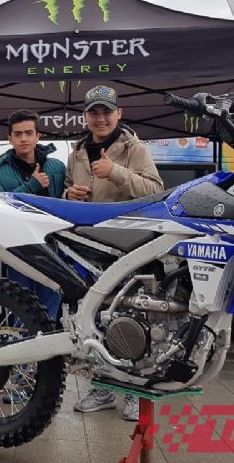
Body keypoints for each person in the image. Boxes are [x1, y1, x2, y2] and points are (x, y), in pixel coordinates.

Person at [66, 85, 163, 422]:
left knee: (134, 316)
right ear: (85, 116)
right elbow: (68, 190)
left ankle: (135, 390)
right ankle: (103, 387)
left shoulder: (135, 148)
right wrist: (70, 194)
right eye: (94, 112)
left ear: (118, 114)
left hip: (130, 246)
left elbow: (155, 190)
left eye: (106, 111)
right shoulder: (77, 152)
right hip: (90, 247)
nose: (100, 118)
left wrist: (116, 173)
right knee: (95, 318)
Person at [0, 109, 66, 319]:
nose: (24, 139)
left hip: (53, 244)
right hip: (18, 246)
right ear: (10, 138)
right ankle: (24, 338)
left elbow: (66, 200)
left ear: (38, 136)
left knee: (51, 298)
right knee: (21, 303)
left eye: (29, 133)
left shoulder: (57, 166)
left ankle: (49, 339)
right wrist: (32, 185)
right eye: (18, 134)